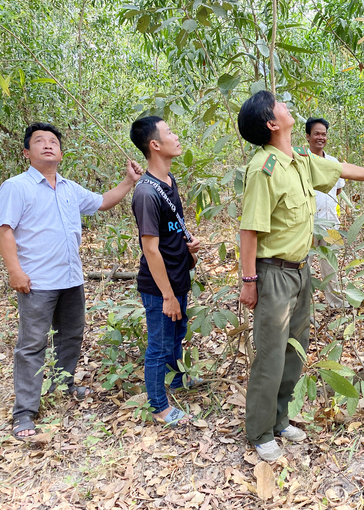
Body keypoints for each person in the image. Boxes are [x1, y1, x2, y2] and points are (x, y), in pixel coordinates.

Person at [237, 91, 364, 461]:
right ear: (271, 123)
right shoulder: (263, 168)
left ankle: (280, 418)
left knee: (294, 350)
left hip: (300, 273)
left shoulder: (298, 162)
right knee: (270, 355)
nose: (286, 107)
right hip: (272, 274)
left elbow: (340, 169)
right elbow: (249, 230)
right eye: (279, 105)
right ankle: (259, 430)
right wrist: (248, 282)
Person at [0, 122, 143, 439]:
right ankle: (24, 413)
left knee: (71, 336)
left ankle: (64, 385)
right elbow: (4, 229)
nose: (48, 145)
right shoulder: (16, 187)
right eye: (39, 141)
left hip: (70, 278)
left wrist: (129, 181)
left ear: (61, 153)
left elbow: (103, 201)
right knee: (32, 345)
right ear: (26, 152)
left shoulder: (69, 188)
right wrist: (14, 271)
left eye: (53, 142)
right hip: (37, 281)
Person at [130, 116, 201, 427]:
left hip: (179, 276)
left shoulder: (170, 183)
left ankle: (176, 381)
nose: (176, 135)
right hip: (160, 287)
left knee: (176, 336)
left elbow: (170, 232)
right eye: (170, 131)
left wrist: (188, 244)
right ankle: (159, 406)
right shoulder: (146, 193)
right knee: (159, 346)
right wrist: (167, 296)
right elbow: (150, 248)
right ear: (155, 145)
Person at [306, 117, 347, 309]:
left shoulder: (332, 162)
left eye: (324, 134)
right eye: (317, 134)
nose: (321, 137)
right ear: (308, 136)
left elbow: (338, 189)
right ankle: (302, 305)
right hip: (306, 224)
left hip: (331, 222)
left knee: (331, 265)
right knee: (302, 264)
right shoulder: (301, 161)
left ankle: (337, 304)